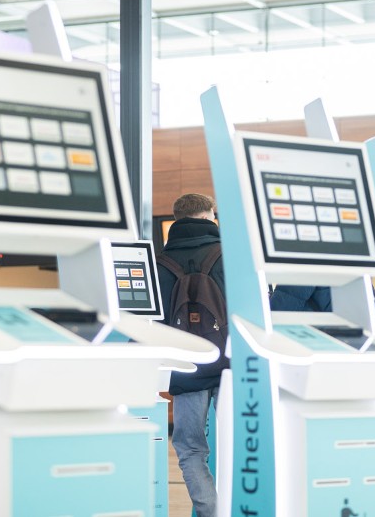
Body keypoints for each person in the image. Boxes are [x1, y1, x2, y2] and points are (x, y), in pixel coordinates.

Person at [156, 193, 224, 517]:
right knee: (239, 440)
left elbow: (153, 321)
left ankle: (209, 509)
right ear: (210, 215)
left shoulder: (160, 261)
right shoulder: (229, 255)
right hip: (230, 367)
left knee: (189, 446)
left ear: (177, 218)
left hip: (185, 368)